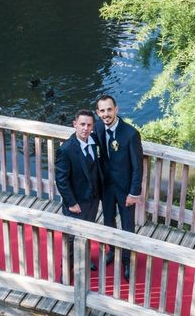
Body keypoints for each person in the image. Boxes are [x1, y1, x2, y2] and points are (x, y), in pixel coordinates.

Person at [93, 94, 143, 281]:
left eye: (109, 109)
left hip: (125, 190)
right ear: (98, 113)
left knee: (128, 225)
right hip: (106, 187)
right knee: (108, 220)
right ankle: (111, 249)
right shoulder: (97, 128)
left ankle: (127, 259)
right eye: (102, 111)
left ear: (116, 109)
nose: (106, 114)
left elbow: (138, 167)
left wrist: (133, 193)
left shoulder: (130, 134)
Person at [55, 109, 102, 273]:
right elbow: (61, 180)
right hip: (76, 202)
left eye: (89, 125)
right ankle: (66, 270)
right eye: (82, 124)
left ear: (93, 127)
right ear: (75, 124)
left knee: (88, 231)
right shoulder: (66, 150)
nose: (85, 128)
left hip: (92, 199)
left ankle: (84, 259)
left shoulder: (94, 141)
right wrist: (72, 203)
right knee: (71, 238)